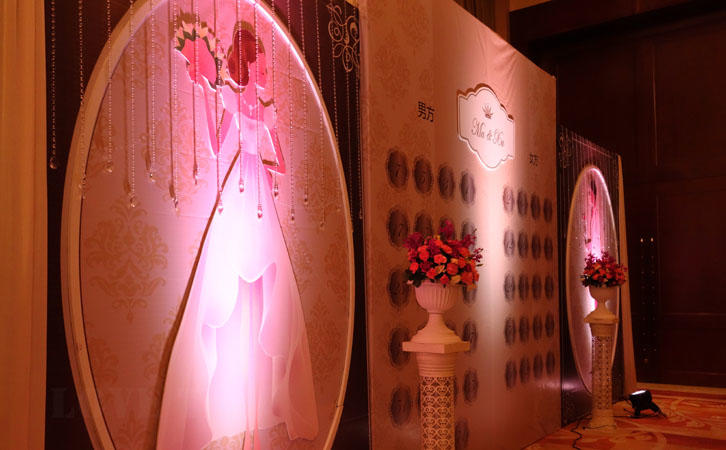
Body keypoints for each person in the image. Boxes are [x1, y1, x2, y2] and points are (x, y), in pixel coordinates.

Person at [156, 19, 318, 448]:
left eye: (265, 66)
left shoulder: (265, 110)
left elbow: (280, 163)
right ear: (247, 65)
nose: (265, 72)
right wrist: (204, 91)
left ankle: (265, 404)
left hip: (253, 186)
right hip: (244, 186)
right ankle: (227, 414)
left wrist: (261, 163)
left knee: (268, 279)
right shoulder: (235, 99)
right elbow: (216, 145)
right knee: (227, 273)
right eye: (261, 66)